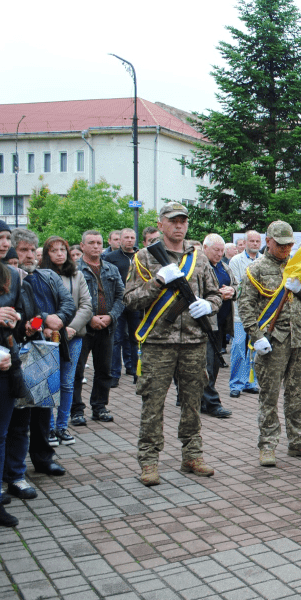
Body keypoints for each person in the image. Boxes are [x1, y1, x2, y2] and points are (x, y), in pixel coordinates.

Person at [123, 201, 222, 486]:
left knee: (192, 402)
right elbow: (130, 300)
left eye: (183, 221)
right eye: (173, 221)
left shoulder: (199, 258)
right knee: (153, 403)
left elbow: (215, 294)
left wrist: (209, 305)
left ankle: (192, 454)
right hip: (158, 342)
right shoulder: (144, 257)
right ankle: (149, 460)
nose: (179, 225)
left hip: (193, 342)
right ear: (161, 223)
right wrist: (156, 283)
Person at [3, 229, 76, 502]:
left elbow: (69, 302)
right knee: (20, 415)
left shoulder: (47, 276)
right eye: (23, 251)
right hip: (20, 351)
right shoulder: (8, 279)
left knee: (44, 408)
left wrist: (58, 317)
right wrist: (44, 319)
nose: (29, 256)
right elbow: (21, 312)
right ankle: (13, 469)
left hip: (49, 351)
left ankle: (43, 459)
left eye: (33, 251)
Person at [237, 221, 301, 467]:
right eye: (280, 244)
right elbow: (245, 305)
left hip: (299, 339)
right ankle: (268, 445)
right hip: (272, 341)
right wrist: (255, 336)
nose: (285, 249)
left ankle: (298, 441)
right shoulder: (256, 269)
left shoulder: (297, 266)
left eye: (289, 244)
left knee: (298, 394)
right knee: (269, 396)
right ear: (268, 241)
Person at [0, 219, 29, 531]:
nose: (5, 244)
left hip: (6, 361)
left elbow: (17, 316)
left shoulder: (11, 275)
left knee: (1, 434)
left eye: (7, 238)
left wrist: (17, 320)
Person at [41, 236, 92, 449]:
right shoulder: (39, 276)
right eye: (54, 250)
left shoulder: (77, 275)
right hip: (48, 336)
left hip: (73, 336)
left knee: (67, 382)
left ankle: (62, 425)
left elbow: (86, 305)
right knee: (50, 383)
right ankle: (49, 427)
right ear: (47, 254)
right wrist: (50, 325)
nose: (60, 253)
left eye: (63, 249)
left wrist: (71, 328)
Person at [70, 230, 124, 426]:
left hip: (107, 328)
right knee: (76, 372)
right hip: (82, 329)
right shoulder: (73, 269)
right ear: (82, 246)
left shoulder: (111, 269)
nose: (96, 246)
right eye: (91, 242)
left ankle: (99, 406)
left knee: (104, 370)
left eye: (99, 242)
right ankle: (75, 410)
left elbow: (121, 296)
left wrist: (111, 316)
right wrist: (89, 318)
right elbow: (69, 300)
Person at [199, 234, 234, 419]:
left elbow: (236, 285)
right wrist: (218, 295)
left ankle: (201, 400)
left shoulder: (224, 267)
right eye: (216, 250)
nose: (220, 254)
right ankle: (211, 402)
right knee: (207, 364)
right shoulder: (200, 266)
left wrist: (232, 290)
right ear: (205, 248)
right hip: (205, 323)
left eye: (222, 250)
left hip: (221, 322)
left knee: (214, 365)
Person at [104, 228, 141, 387]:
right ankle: (114, 373)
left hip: (136, 302)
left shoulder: (140, 256)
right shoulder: (110, 257)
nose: (129, 240)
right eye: (126, 237)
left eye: (132, 237)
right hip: (117, 303)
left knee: (135, 338)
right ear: (120, 239)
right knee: (117, 339)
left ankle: (135, 370)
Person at [227, 230, 262, 397]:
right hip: (240, 313)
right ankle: (236, 383)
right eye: (252, 241)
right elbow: (236, 284)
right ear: (245, 242)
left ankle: (250, 381)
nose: (255, 243)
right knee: (239, 347)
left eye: (257, 241)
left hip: (258, 313)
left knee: (254, 348)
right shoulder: (235, 260)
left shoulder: (263, 260)